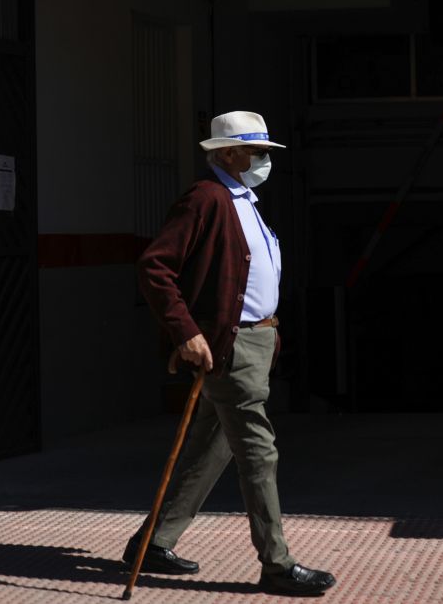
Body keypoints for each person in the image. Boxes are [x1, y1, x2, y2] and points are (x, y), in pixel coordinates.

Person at [122, 111, 336, 596]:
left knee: (211, 445)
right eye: (257, 152)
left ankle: (153, 543)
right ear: (227, 154)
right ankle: (277, 564)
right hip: (230, 344)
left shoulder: (242, 199)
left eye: (266, 153)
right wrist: (185, 332)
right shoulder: (206, 198)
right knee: (258, 452)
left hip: (255, 340)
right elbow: (156, 268)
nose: (265, 160)